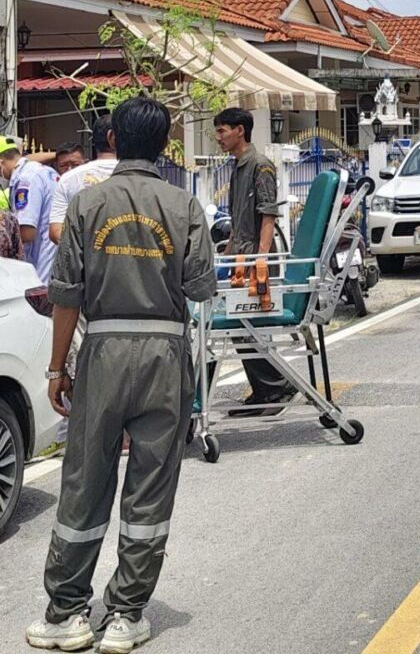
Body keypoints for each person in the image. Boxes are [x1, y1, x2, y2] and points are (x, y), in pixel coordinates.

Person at [28, 96, 214, 654]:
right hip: (164, 353)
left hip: (103, 349)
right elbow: (201, 288)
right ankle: (127, 615)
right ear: (164, 144)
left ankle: (66, 614)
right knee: (151, 484)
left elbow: (66, 296)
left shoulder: (85, 204)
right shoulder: (184, 205)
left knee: (86, 478)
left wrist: (58, 368)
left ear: (113, 140)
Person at [215, 106, 296, 414]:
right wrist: (226, 256)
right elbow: (237, 218)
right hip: (239, 256)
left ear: (240, 130)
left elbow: (267, 215)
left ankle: (275, 389)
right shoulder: (236, 166)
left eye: (222, 130)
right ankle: (267, 389)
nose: (218, 137)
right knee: (240, 325)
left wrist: (261, 259)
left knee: (246, 324)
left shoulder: (260, 165)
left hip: (255, 257)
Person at [0, 135, 59, 280]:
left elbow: (26, 232)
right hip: (54, 261)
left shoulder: (25, 180)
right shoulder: (44, 171)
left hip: (41, 266)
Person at [48, 118, 121, 250]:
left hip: (84, 266)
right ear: (113, 138)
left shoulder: (68, 179)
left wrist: (86, 253)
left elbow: (56, 232)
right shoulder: (139, 177)